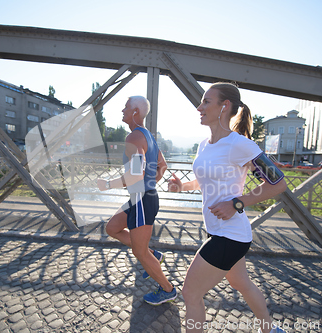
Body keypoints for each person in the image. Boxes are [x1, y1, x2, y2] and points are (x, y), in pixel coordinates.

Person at [168, 83, 288, 333]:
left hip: (231, 235)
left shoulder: (239, 144)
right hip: (218, 231)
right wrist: (182, 187)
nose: (199, 107)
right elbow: (203, 181)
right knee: (241, 283)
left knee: (190, 293)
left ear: (224, 106)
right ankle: (270, 329)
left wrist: (237, 203)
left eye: (206, 102)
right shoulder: (204, 144)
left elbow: (277, 184)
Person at [97, 96, 177, 305]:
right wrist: (150, 185)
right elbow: (163, 166)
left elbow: (135, 176)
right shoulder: (148, 136)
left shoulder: (133, 137)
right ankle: (154, 255)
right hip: (141, 197)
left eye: (125, 108)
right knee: (112, 228)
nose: (122, 111)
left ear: (135, 112)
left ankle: (167, 289)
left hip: (142, 199)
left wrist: (107, 184)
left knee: (138, 251)